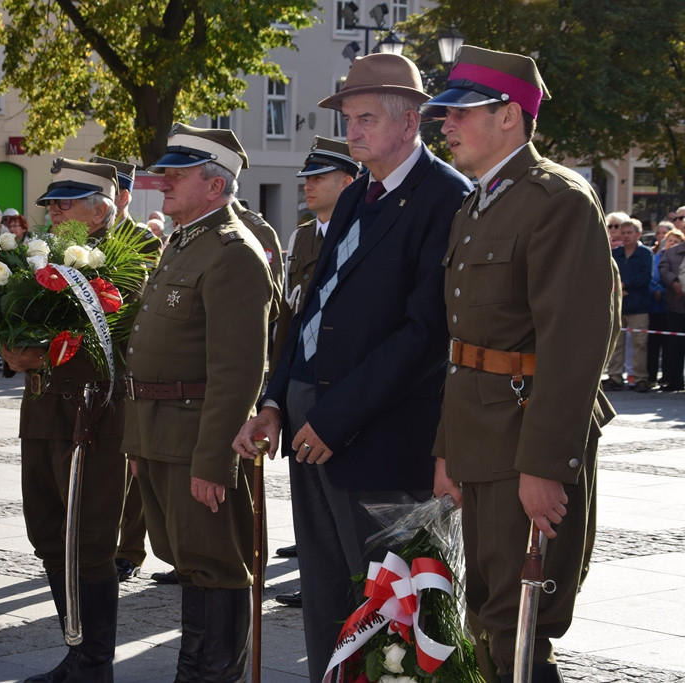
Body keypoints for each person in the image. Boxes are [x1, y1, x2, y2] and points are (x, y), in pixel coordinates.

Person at [232, 53, 472, 683]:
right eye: (349, 118)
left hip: (379, 435)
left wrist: (335, 419)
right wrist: (277, 400)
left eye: (366, 118)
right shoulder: (357, 192)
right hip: (313, 419)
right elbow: (311, 309)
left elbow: (423, 336)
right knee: (328, 596)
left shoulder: (446, 197)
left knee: (390, 610)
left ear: (410, 121)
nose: (353, 132)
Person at [421, 45, 618, 683]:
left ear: (510, 115)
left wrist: (546, 464)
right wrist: (449, 448)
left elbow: (576, 342)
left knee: (519, 625)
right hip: (480, 439)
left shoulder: (557, 198)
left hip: (525, 437)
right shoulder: (480, 203)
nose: (444, 124)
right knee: (486, 615)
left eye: (459, 111)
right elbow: (464, 347)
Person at [123, 123, 274, 681]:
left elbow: (237, 371)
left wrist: (215, 459)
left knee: (216, 567)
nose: (163, 182)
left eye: (177, 175)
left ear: (216, 186)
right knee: (188, 564)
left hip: (196, 440)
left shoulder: (233, 253)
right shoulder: (186, 242)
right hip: (160, 434)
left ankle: (211, 675)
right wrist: (137, 441)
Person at [0, 158, 129, 683]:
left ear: (100, 209)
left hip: (92, 420)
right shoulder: (44, 258)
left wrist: (43, 355)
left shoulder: (131, 256)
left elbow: (118, 337)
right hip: (43, 413)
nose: (52, 212)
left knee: (89, 542)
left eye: (65, 203)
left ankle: (94, 662)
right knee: (49, 535)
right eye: (50, 204)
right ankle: (76, 651)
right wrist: (10, 345)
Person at [270, 135, 359, 610]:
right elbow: (289, 311)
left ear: (349, 182)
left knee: (342, 494)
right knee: (308, 491)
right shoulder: (304, 235)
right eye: (306, 178)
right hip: (301, 375)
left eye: (319, 178)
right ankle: (319, 576)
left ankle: (348, 585)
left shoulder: (360, 230)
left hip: (340, 381)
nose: (308, 186)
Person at [90, 155, 163, 583]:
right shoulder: (83, 236)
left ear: (123, 195)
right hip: (87, 365)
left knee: (131, 463)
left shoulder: (142, 239)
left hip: (127, 360)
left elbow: (137, 297)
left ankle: (129, 548)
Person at [603, 218, 653, 392]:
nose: (625, 236)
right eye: (623, 233)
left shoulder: (646, 253)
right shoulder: (615, 254)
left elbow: (646, 276)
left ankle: (640, 378)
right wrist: (618, 288)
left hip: (639, 306)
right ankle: (614, 376)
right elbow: (607, 274)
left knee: (640, 344)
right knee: (616, 343)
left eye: (629, 232)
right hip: (619, 305)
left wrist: (626, 284)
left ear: (638, 234)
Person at [648, 220, 675, 387]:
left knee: (670, 345)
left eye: (675, 241)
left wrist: (664, 291)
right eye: (668, 239)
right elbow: (649, 276)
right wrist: (655, 290)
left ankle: (668, 377)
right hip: (652, 305)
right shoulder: (654, 257)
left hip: (670, 306)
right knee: (651, 345)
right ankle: (651, 377)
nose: (670, 242)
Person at [658, 225, 685, 391]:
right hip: (675, 305)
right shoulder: (671, 252)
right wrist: (675, 283)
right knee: (674, 346)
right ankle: (675, 380)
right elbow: (663, 269)